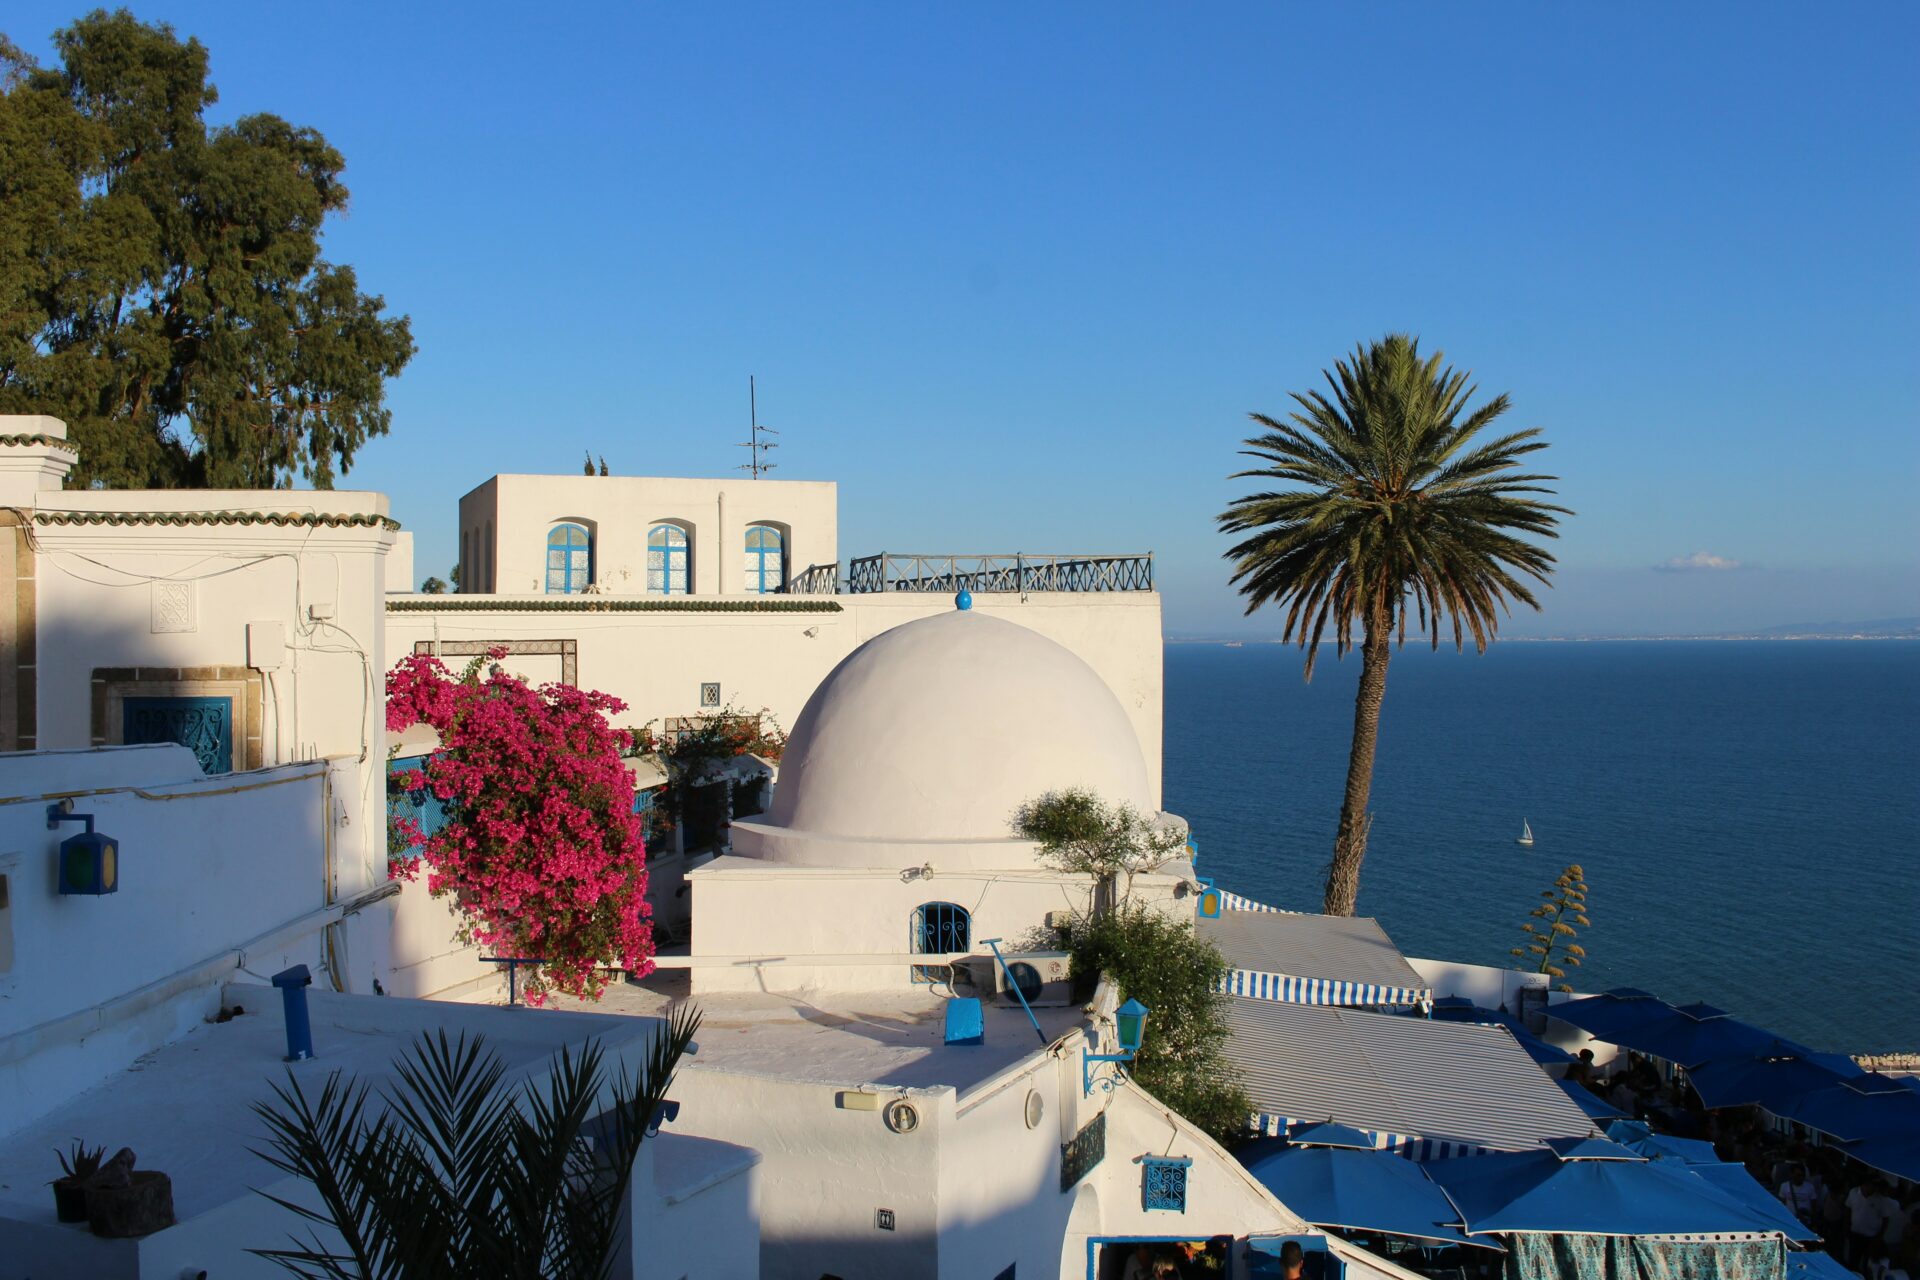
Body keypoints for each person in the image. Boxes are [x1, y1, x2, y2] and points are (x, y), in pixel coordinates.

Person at [1851, 1180, 1891, 1267]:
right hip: (1855, 1233)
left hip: (1871, 1236)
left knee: (1867, 1261)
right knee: (1853, 1258)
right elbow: (1848, 1208)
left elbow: (1886, 1219)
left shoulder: (1880, 1199)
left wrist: (1880, 1235)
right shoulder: (1854, 1192)